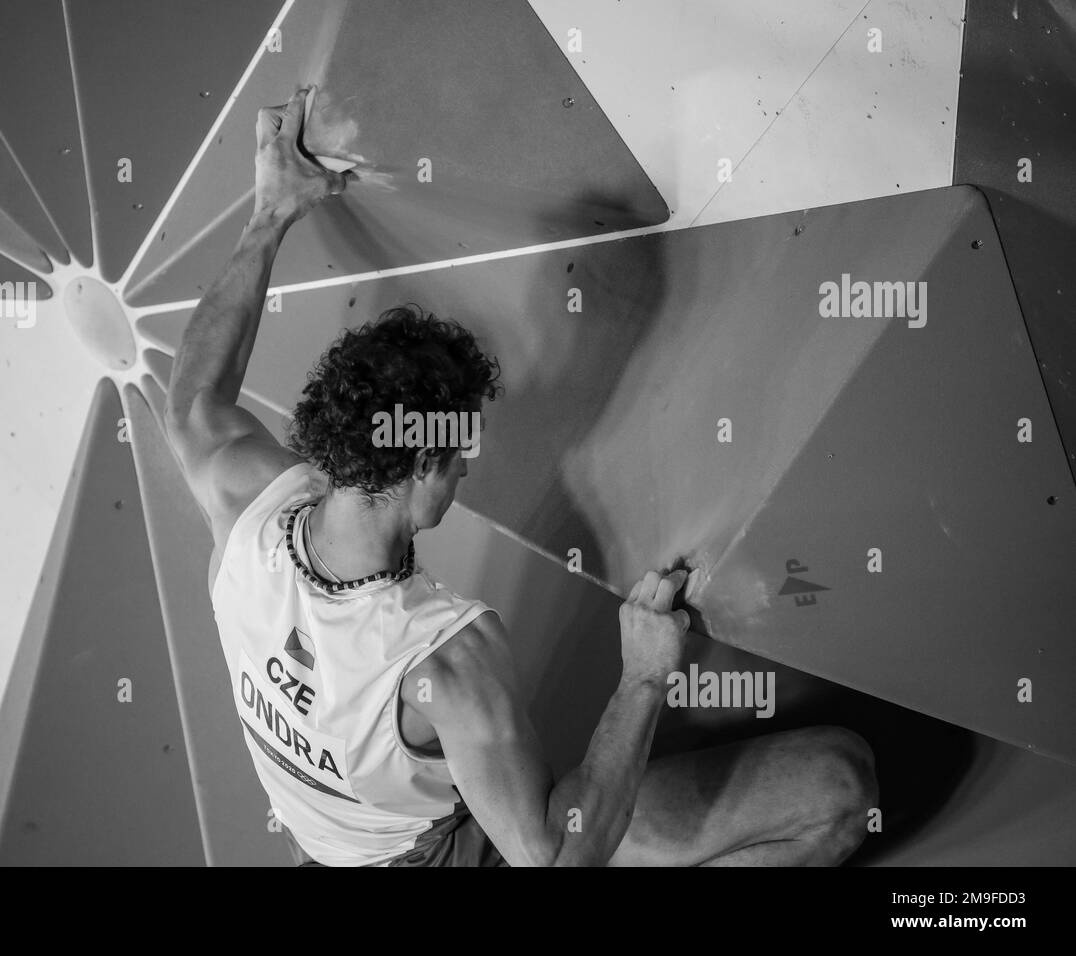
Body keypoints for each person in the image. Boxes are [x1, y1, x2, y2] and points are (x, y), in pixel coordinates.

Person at [164, 87, 878, 867]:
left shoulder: (246, 504)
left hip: (339, 847)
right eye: (460, 451)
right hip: (446, 857)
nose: (469, 466)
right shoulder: (444, 662)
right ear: (424, 463)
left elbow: (195, 395)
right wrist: (643, 677)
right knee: (838, 790)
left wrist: (271, 213)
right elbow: (556, 860)